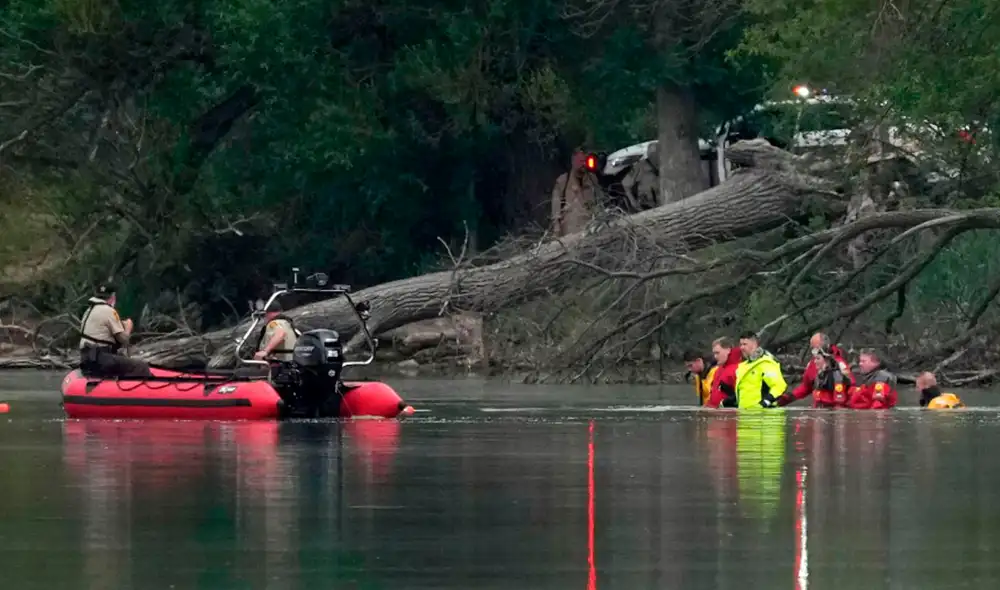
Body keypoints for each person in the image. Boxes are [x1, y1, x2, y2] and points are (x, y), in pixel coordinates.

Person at [78, 283, 152, 378]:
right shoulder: (109, 310)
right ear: (113, 296)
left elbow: (103, 332)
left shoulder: (89, 310)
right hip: (100, 359)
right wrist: (128, 326)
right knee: (142, 366)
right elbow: (124, 340)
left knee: (121, 358)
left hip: (87, 358)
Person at [777, 332, 853, 407]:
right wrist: (788, 397)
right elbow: (806, 386)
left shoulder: (839, 366)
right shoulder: (813, 365)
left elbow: (849, 390)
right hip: (819, 409)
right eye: (812, 347)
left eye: (815, 347)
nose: (815, 360)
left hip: (832, 410)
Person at [550, 150, 598, 237]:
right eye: (580, 161)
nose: (584, 164)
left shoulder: (592, 180)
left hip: (591, 228)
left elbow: (600, 201)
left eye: (585, 161)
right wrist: (556, 229)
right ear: (573, 162)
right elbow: (555, 208)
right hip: (570, 231)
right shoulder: (563, 181)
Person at [734, 331, 787, 408]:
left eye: (745, 344)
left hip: (764, 416)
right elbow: (745, 391)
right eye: (741, 344)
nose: (741, 347)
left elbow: (779, 386)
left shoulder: (766, 362)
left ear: (755, 344)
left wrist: (765, 403)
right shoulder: (743, 366)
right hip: (746, 415)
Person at [705, 336, 743, 409]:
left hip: (729, 416)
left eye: (717, 353)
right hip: (716, 415)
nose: (715, 357)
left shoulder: (738, 369)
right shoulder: (718, 370)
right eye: (714, 353)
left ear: (728, 350)